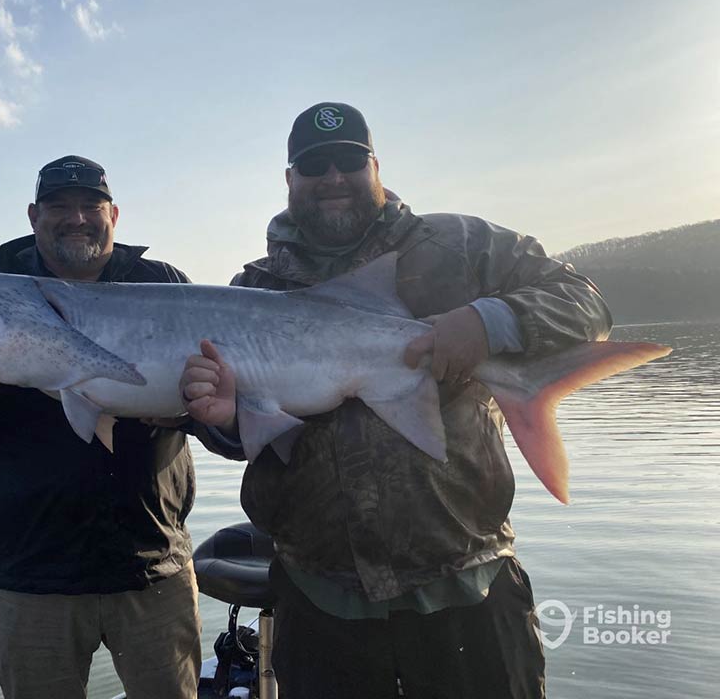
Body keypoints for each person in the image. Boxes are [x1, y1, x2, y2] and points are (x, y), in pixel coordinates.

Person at [180, 103, 612, 699]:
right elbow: (237, 441)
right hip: (318, 594)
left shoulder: (461, 245)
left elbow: (586, 300)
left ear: (376, 165)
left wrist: (491, 320)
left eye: (349, 161)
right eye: (313, 165)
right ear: (289, 180)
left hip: (467, 582)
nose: (332, 177)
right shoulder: (253, 290)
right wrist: (224, 421)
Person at [0, 156, 201, 699]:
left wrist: (189, 412)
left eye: (91, 205)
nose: (77, 218)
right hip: (31, 578)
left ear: (114, 213)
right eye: (59, 207)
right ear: (33, 216)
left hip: (154, 565)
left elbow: (224, 413)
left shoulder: (163, 284)